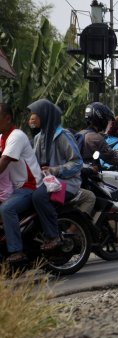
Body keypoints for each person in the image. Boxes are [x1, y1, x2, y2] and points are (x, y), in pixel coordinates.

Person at [27, 99, 83, 251]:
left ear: (46, 115)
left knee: (39, 197)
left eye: (35, 114)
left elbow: (77, 162)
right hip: (49, 182)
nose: (31, 118)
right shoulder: (39, 138)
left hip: (68, 184)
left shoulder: (63, 136)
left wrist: (55, 170)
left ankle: (54, 236)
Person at [0, 102, 43, 263]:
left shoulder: (16, 136)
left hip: (30, 186)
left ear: (7, 118)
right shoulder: (2, 137)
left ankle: (16, 250)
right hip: (16, 187)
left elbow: (3, 162)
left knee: (7, 209)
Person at [79, 102, 118, 170]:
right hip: (88, 177)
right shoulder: (96, 138)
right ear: (100, 117)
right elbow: (111, 157)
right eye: (106, 119)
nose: (107, 122)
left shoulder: (79, 134)